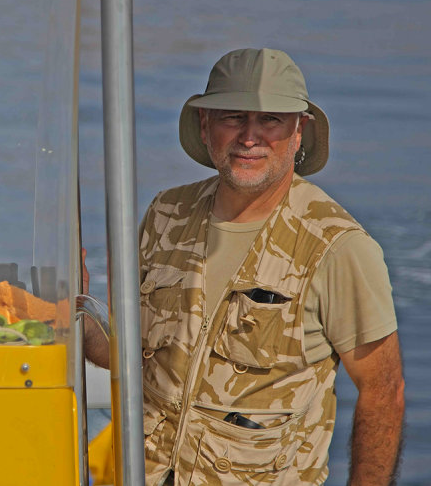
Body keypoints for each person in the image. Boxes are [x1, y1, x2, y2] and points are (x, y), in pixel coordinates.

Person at [84, 48, 404, 485]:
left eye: (270, 120)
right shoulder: (166, 213)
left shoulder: (337, 246)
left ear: (298, 132)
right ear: (205, 125)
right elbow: (135, 357)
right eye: (232, 117)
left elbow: (383, 392)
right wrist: (75, 318)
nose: (249, 137)